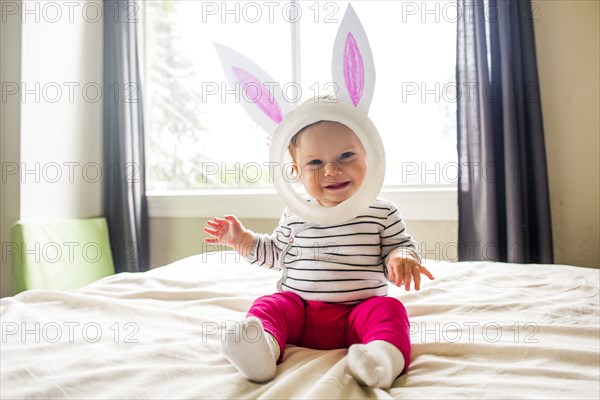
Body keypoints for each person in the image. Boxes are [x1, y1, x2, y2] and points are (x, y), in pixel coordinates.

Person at [203, 120, 434, 388]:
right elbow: (277, 254)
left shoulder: (382, 212)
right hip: (301, 313)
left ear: (368, 156)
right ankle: (261, 350)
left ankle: (381, 359)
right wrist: (242, 241)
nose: (332, 170)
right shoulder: (296, 213)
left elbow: (400, 245)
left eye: (346, 155)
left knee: (389, 309)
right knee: (270, 304)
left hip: (357, 313)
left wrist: (401, 258)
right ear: (296, 172)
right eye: (315, 162)